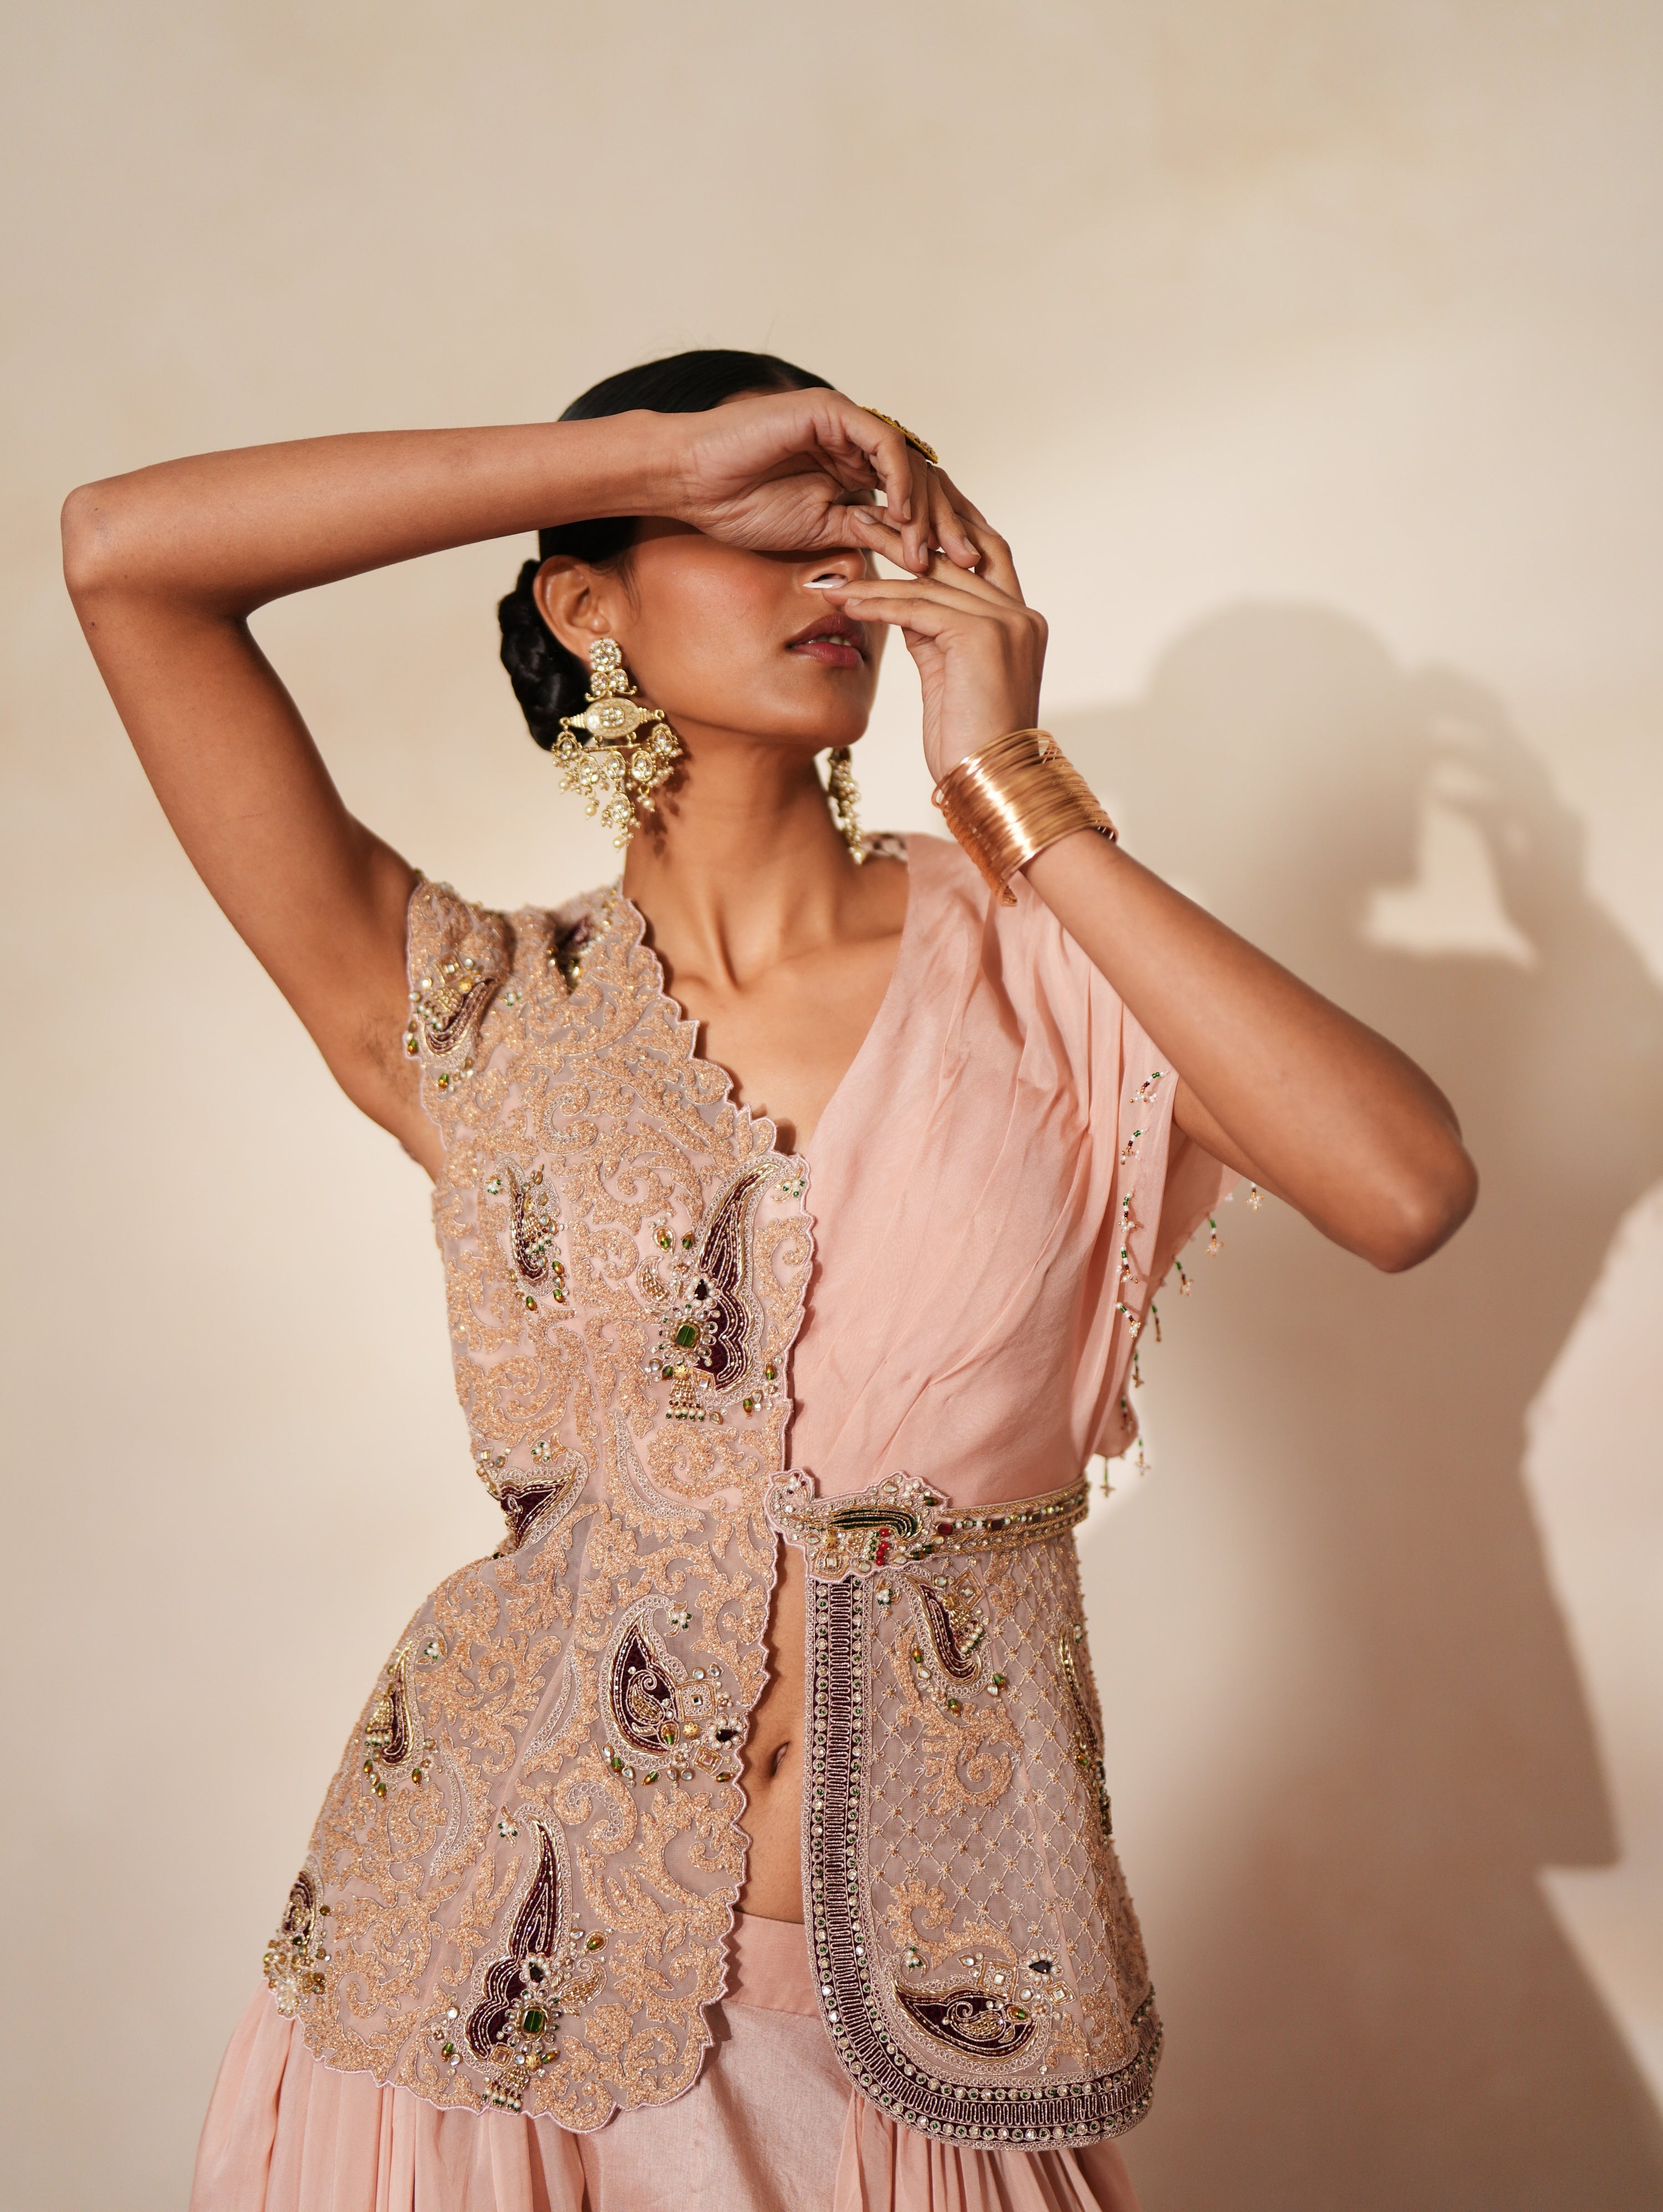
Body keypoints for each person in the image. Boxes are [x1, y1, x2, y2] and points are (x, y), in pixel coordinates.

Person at [62, 349, 1478, 2212]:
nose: (832, 583)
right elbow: (124, 556)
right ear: (590, 603)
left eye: (858, 538)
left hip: (929, 1998)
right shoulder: (475, 1009)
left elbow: (1403, 1186)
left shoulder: (1052, 961)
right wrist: (655, 454)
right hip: (466, 1976)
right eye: (761, 537)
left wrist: (1014, 786)